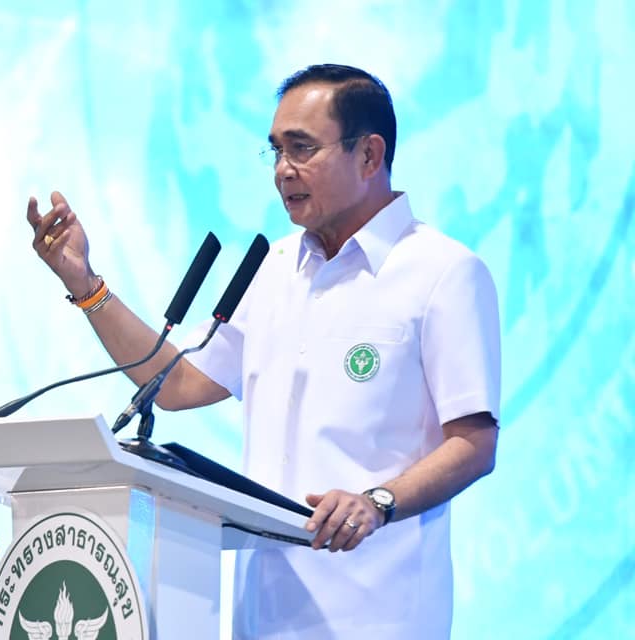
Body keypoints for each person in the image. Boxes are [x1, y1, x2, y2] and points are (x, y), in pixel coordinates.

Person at [25, 64, 500, 639]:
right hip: (261, 614)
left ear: (370, 156)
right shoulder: (273, 269)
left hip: (377, 612)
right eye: (275, 151)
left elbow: (473, 444)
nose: (282, 171)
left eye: (302, 149)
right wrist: (86, 284)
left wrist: (378, 500)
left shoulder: (443, 272)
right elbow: (175, 384)